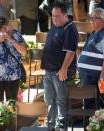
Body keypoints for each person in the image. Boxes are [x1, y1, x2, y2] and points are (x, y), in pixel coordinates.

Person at [41, 2, 78, 130]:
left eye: (57, 16)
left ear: (65, 15)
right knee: (49, 99)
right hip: (49, 70)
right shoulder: (56, 25)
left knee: (61, 100)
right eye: (53, 16)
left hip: (59, 71)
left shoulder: (70, 28)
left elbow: (71, 52)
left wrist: (64, 69)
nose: (54, 19)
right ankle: (50, 124)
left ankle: (61, 125)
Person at [0, 16, 27, 101]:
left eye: (4, 27)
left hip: (12, 76)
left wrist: (11, 40)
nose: (1, 30)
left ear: (8, 25)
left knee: (11, 103)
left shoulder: (16, 34)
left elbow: (24, 51)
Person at [77, 8, 104, 107]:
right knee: (89, 103)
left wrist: (102, 78)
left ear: (103, 20)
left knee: (94, 105)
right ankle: (89, 122)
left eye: (94, 18)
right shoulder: (96, 33)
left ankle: (92, 122)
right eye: (91, 18)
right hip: (89, 76)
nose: (91, 21)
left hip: (95, 77)